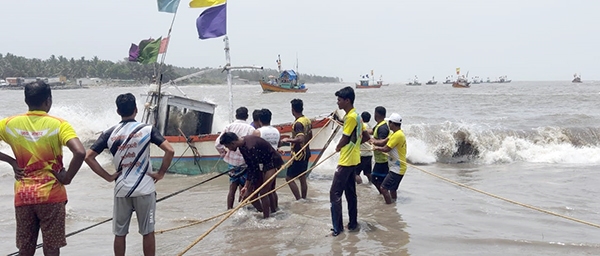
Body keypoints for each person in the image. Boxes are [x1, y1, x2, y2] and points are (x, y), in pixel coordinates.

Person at [0, 81, 86, 256]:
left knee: (25, 248)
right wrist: (67, 177)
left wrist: (11, 161)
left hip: (24, 195)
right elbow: (80, 152)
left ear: (26, 100)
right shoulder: (59, 124)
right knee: (52, 248)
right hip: (52, 196)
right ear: (48, 101)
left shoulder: (9, 123)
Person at [85, 93, 174, 256]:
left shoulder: (109, 133)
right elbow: (170, 150)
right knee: (147, 232)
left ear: (118, 111)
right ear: (136, 110)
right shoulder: (147, 129)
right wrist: (160, 173)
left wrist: (109, 176)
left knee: (120, 233)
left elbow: (88, 157)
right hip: (145, 188)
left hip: (121, 189)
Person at [330, 86, 370, 237]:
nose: (338, 103)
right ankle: (353, 224)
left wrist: (338, 147)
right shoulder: (357, 116)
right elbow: (365, 136)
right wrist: (355, 145)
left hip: (346, 161)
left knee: (334, 193)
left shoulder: (350, 117)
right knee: (351, 193)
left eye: (339, 100)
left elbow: (345, 137)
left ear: (347, 100)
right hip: (354, 159)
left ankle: (337, 229)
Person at [219, 132, 284, 218]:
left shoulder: (250, 146)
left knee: (264, 191)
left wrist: (249, 186)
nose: (229, 149)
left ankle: (267, 218)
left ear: (232, 143)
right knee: (263, 191)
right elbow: (250, 166)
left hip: (273, 162)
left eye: (228, 147)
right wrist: (246, 186)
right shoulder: (242, 146)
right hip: (263, 164)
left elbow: (255, 169)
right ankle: (270, 212)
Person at [215, 107, 259, 210]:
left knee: (232, 189)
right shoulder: (250, 129)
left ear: (236, 116)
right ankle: (243, 209)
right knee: (246, 188)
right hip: (245, 163)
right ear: (247, 116)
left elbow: (217, 144)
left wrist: (223, 153)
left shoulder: (229, 127)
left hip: (232, 163)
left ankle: (229, 210)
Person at [281, 99, 312, 200]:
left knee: (289, 178)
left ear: (292, 110)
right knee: (302, 178)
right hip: (307, 152)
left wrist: (288, 139)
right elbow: (310, 136)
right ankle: (304, 198)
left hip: (299, 155)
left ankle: (299, 199)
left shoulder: (298, 123)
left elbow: (300, 138)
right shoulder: (307, 120)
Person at [373, 113, 407, 204]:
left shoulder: (398, 135)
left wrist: (377, 148)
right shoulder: (396, 133)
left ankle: (389, 206)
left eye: (389, 122)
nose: (388, 124)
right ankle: (394, 204)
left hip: (397, 168)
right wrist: (373, 141)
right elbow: (384, 141)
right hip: (397, 167)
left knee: (383, 188)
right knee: (392, 189)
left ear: (392, 123)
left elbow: (386, 149)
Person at [252, 108, 280, 210]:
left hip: (263, 164)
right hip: (275, 162)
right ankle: (275, 209)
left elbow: (253, 148)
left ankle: (266, 213)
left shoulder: (258, 132)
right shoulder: (276, 131)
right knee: (272, 189)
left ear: (259, 120)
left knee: (264, 191)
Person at [369, 106, 391, 196]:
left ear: (377, 114)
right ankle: (384, 193)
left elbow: (382, 142)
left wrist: (373, 141)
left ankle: (384, 194)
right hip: (379, 159)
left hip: (383, 159)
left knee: (374, 178)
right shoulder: (379, 125)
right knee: (380, 179)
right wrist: (360, 131)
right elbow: (371, 131)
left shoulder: (383, 127)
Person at [356, 111, 373, 184]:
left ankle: (360, 187)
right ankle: (372, 184)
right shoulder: (369, 126)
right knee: (368, 173)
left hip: (362, 154)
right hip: (369, 152)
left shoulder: (362, 126)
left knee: (355, 173)